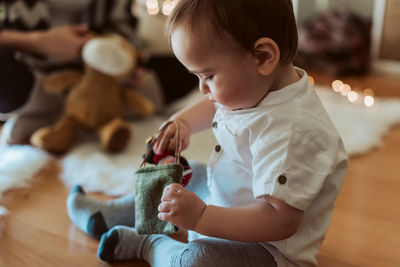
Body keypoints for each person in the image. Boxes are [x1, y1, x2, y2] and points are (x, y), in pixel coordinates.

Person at [67, 0, 348, 266]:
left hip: (266, 251)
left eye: (209, 76)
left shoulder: (292, 134)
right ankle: (115, 213)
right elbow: (215, 105)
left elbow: (280, 220)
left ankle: (150, 245)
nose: (203, 89)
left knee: (198, 261)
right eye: (198, 77)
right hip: (224, 198)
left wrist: (201, 216)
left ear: (263, 56)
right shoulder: (259, 84)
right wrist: (183, 122)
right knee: (189, 177)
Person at [0, 0, 197, 145]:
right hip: (35, 73)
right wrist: (38, 41)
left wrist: (127, 65)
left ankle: (65, 114)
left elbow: (125, 31)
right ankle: (92, 112)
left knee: (185, 66)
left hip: (101, 74)